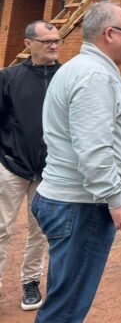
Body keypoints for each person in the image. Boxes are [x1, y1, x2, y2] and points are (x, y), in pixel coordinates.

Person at [32, 1, 121, 322]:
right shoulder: (94, 75)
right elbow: (93, 150)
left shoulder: (83, 69)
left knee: (64, 298)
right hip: (81, 206)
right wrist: (116, 199)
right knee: (65, 310)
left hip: (70, 202)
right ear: (110, 34)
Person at [0, 20, 61, 311]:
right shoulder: (8, 78)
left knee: (40, 231)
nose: (53, 45)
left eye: (56, 40)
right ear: (28, 44)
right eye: (46, 40)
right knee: (1, 229)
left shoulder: (66, 76)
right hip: (12, 167)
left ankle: (30, 282)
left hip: (50, 171)